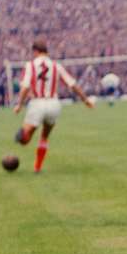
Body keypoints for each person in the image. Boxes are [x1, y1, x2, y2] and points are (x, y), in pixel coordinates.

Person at [12, 39, 94, 172]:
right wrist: (86, 100)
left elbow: (25, 87)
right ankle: (37, 167)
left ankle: (22, 138)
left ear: (35, 51)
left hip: (37, 103)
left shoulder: (30, 65)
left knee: (24, 138)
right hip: (54, 104)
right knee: (44, 136)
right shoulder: (56, 66)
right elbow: (72, 84)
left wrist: (19, 104)